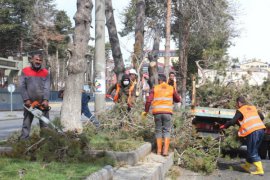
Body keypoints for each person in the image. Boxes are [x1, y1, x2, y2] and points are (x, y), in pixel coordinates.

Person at [220, 96, 266, 175]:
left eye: (236, 103)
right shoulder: (253, 108)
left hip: (253, 132)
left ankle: (260, 170)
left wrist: (224, 126)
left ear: (238, 103)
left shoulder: (240, 110)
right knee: (253, 149)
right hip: (261, 129)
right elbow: (262, 117)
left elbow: (232, 122)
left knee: (252, 151)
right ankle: (247, 166)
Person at [142, 74, 181, 156]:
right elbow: (178, 99)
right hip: (167, 113)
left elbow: (149, 101)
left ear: (159, 80)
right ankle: (165, 151)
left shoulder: (155, 88)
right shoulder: (171, 88)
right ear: (165, 80)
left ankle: (159, 151)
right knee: (167, 131)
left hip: (157, 113)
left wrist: (145, 111)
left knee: (158, 130)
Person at [19, 54, 50, 140]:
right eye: (36, 59)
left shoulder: (46, 72)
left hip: (42, 102)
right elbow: (22, 86)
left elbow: (47, 87)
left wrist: (46, 99)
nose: (38, 62)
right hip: (29, 103)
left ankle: (45, 141)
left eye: (40, 60)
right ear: (32, 59)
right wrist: (26, 99)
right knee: (27, 122)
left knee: (45, 123)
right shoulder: (25, 71)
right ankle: (24, 140)